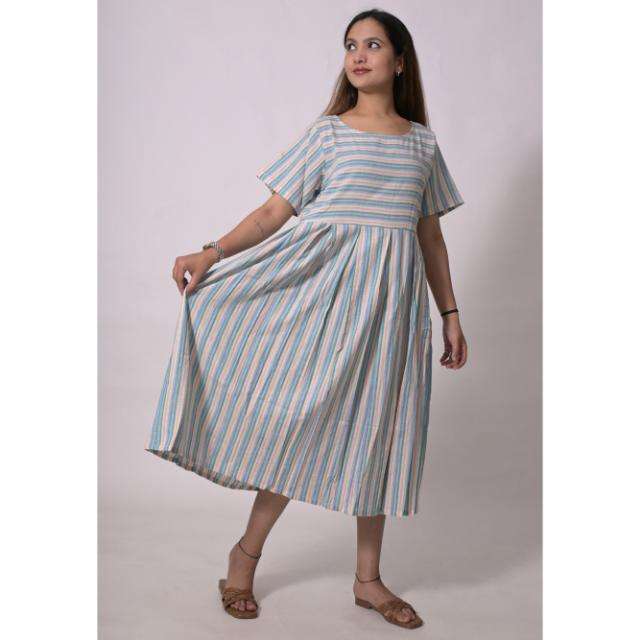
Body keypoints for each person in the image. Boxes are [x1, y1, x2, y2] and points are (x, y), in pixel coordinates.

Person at [145, 8, 468, 630]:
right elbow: (274, 213)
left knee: (380, 435)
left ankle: (368, 580)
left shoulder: (423, 145)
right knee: (300, 427)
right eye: (351, 45)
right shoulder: (329, 135)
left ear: (400, 61)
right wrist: (212, 253)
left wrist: (450, 314)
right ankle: (243, 557)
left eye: (373, 44)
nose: (359, 55)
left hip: (393, 316)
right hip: (325, 302)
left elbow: (430, 238)